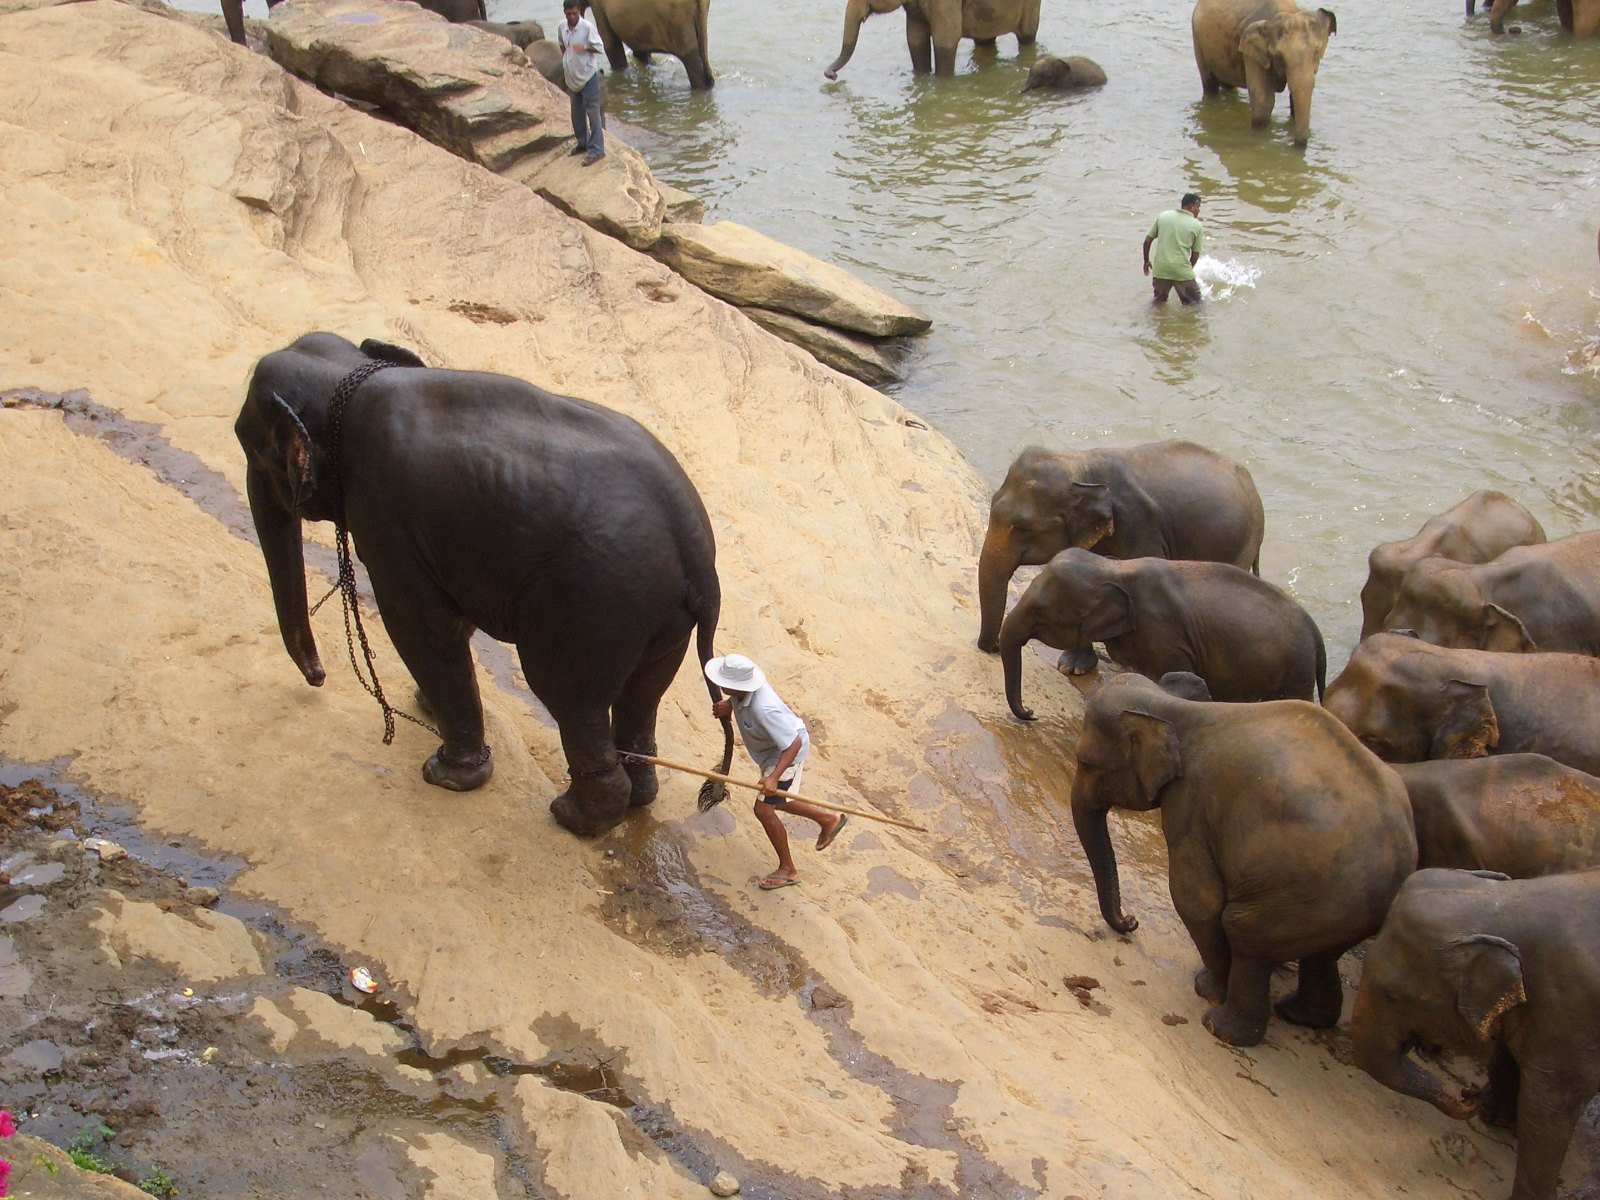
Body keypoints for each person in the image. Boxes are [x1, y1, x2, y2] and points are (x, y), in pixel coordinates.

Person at [705, 653, 847, 891]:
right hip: (772, 750)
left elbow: (793, 744)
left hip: (786, 755)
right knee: (778, 800)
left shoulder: (765, 709)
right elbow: (740, 700)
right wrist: (729, 705)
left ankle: (788, 870)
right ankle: (828, 820)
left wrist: (773, 777)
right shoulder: (742, 693)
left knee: (764, 809)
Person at [557, 1, 606, 166]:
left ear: (579, 11)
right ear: (564, 12)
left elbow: (599, 47)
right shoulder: (562, 26)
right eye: (568, 14)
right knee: (576, 113)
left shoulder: (587, 27)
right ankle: (582, 144)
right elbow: (561, 44)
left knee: (593, 113)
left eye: (574, 14)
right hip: (572, 77)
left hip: (588, 75)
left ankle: (597, 150)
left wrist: (584, 47)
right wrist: (569, 59)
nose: (572, 17)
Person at [1142, 192, 1205, 305]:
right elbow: (1195, 254)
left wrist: (1146, 260)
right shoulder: (1197, 225)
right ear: (1192, 206)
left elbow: (1147, 240)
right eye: (1198, 207)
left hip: (1160, 270)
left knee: (1159, 302)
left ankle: (1157, 322)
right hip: (1181, 271)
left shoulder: (1163, 216)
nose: (1198, 211)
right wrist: (1186, 270)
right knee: (1196, 305)